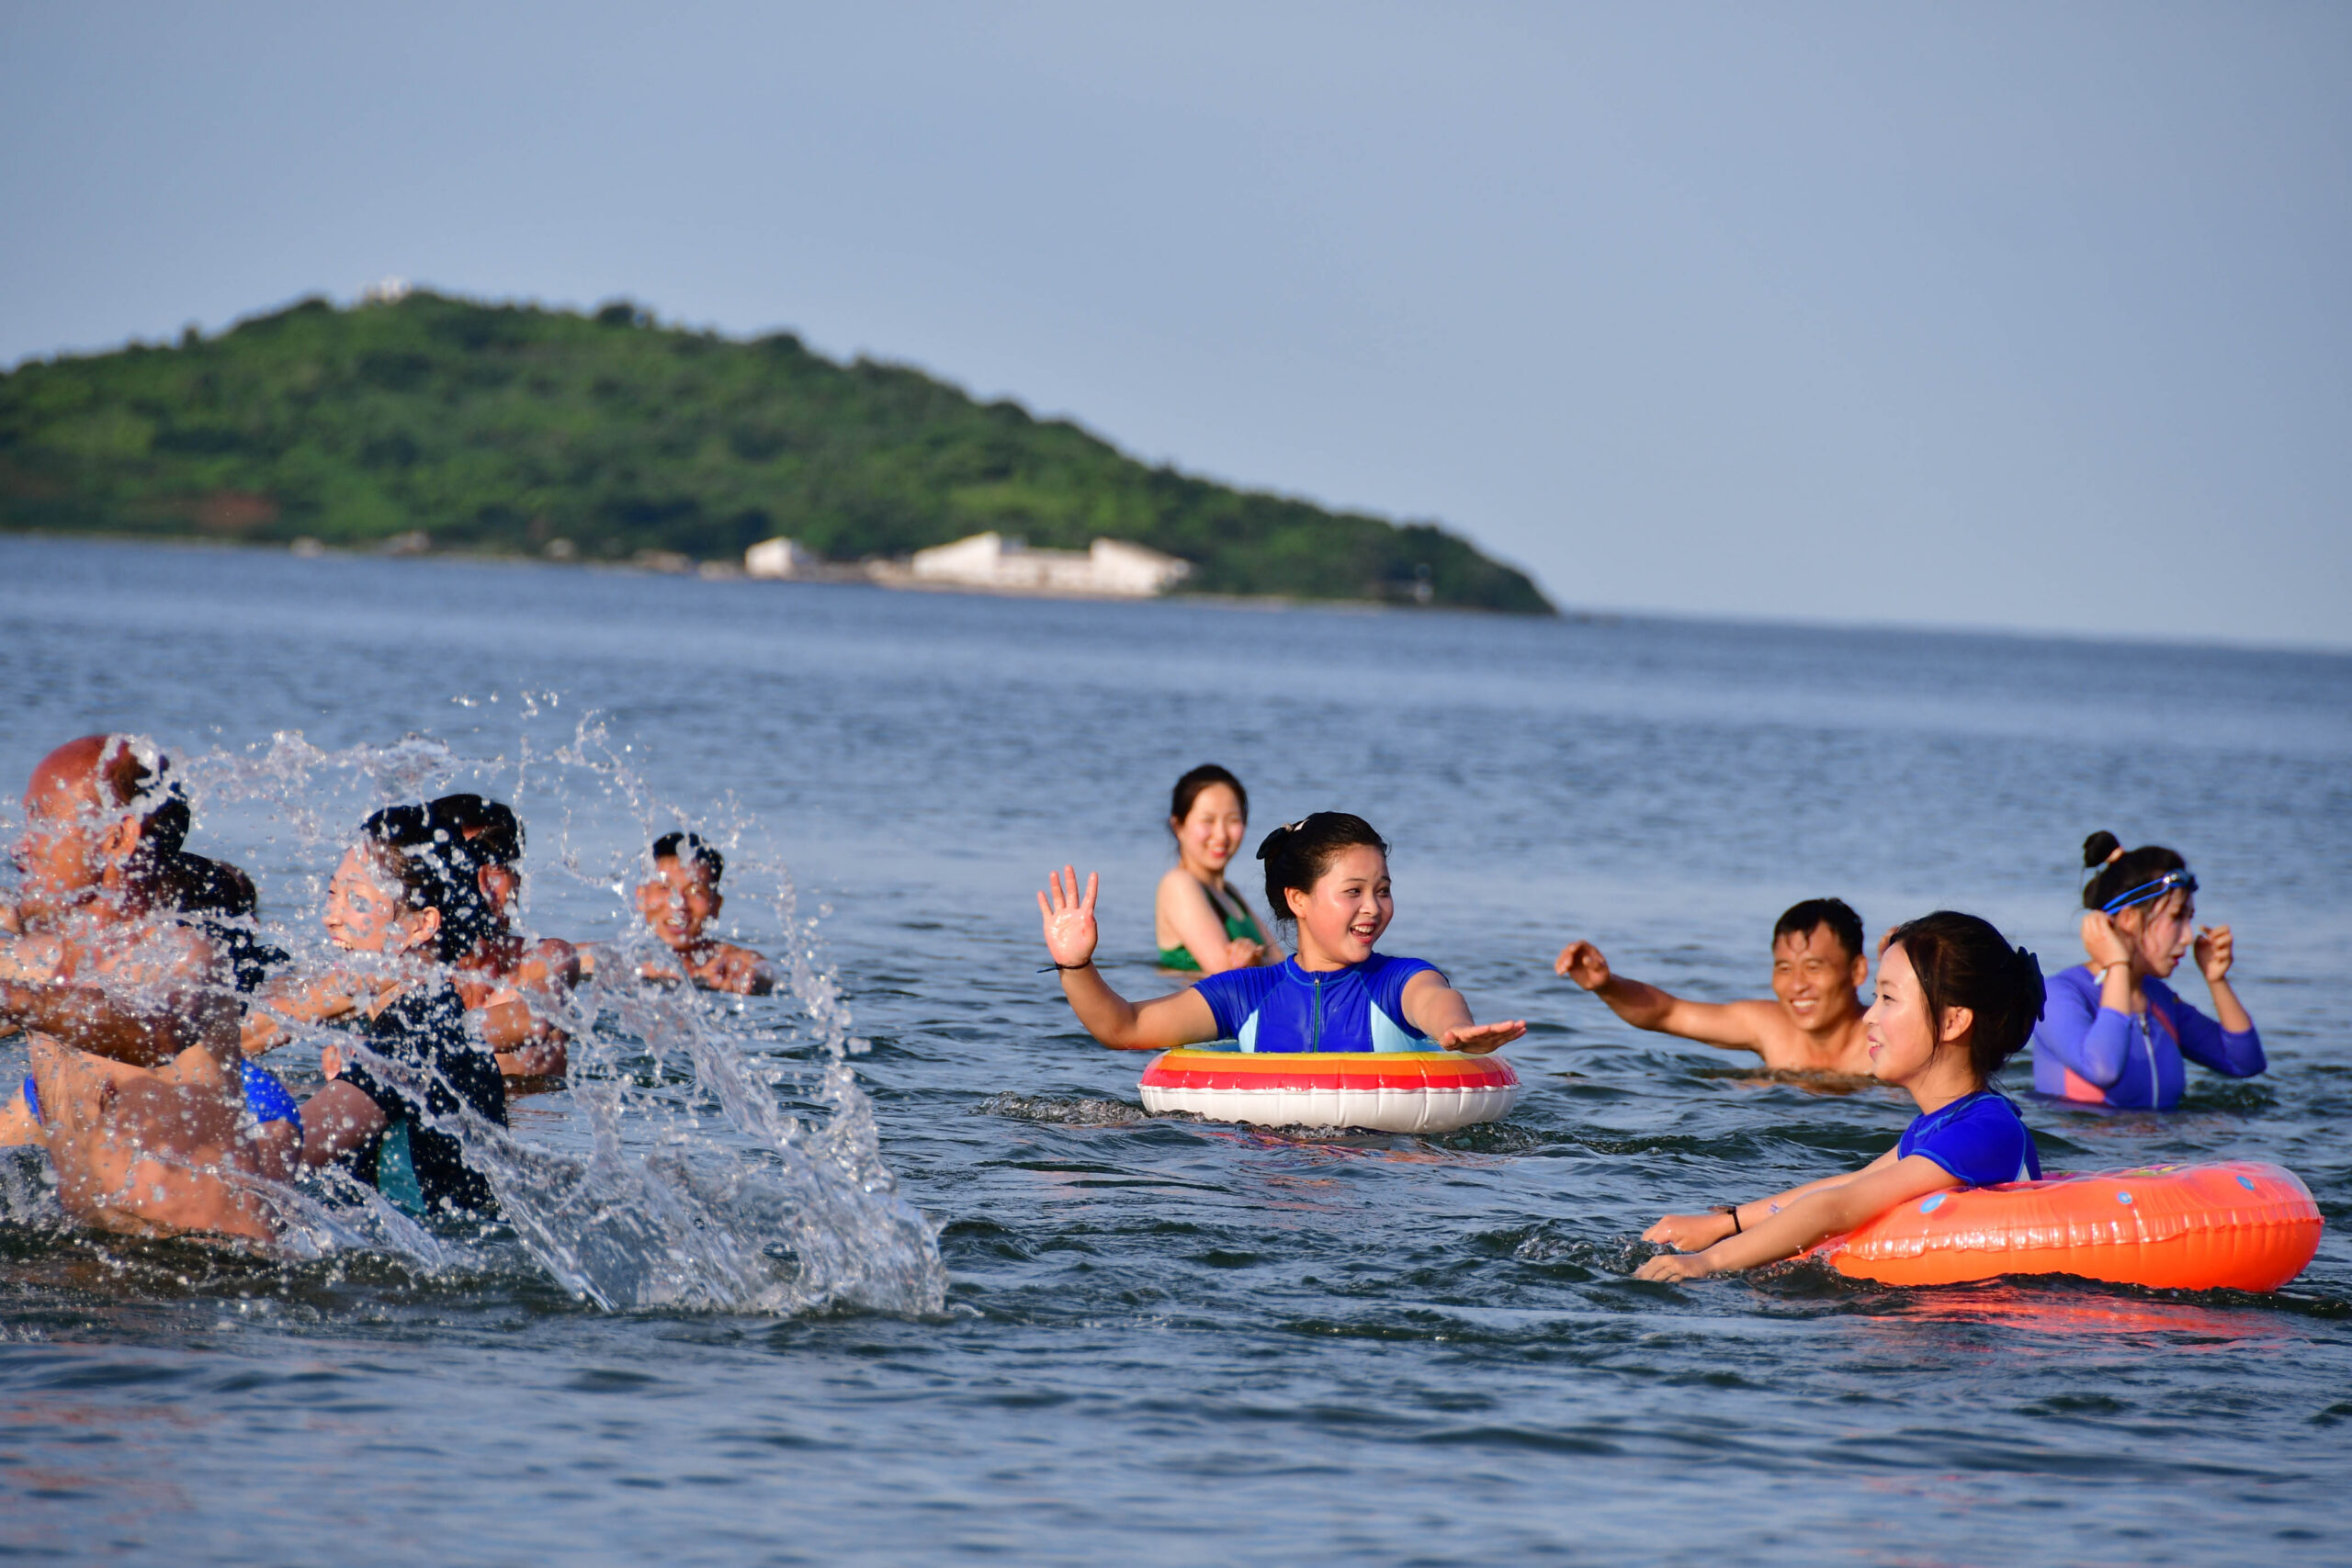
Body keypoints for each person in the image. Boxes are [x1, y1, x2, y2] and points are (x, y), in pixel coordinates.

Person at [1634, 910, 2045, 1283]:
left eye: (1888, 998)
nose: (1870, 1016)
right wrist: (1726, 1223)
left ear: (1953, 1021)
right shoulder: (1944, 1123)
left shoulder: (1986, 1130)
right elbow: (1853, 1182)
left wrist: (1706, 1263)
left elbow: (1838, 1207)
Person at [0, 735, 298, 1240]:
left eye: (43, 822)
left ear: (119, 838)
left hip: (214, 1268)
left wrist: (16, 1000)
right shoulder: (36, 962)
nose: (20, 848)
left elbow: (156, 1032)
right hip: (101, 1254)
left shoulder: (185, 955)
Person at [1037, 812, 1525, 1055]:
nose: (1373, 907)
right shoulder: (1246, 993)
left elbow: (1436, 1000)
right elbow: (1123, 1027)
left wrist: (1455, 1031)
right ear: (1298, 900)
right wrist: (1074, 964)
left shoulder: (1399, 981)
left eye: (1383, 890)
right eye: (1353, 891)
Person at [262, 806, 511, 1217]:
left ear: (422, 925)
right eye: (332, 894)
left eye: (356, 899)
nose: (330, 918)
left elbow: (273, 1160)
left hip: (441, 1251)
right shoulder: (434, 1016)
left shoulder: (414, 1040)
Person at [2029, 831, 2263, 1110]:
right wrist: (2118, 965)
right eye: (2176, 918)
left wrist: (2217, 980)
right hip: (2088, 1138)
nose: (2188, 937)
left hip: (2163, 1136)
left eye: (2190, 919)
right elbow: (2102, 1069)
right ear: (2128, 919)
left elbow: (2245, 1062)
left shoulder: (2160, 999)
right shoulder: (2059, 994)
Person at [1554, 898, 1873, 1075]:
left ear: (1857, 970)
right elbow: (1668, 1014)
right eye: (1784, 968)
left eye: (1814, 968)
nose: (1797, 985)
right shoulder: (1770, 1027)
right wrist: (1607, 986)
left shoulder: (1884, 1038)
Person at [1153, 764, 1281, 974]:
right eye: (1208, 821)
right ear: (1178, 826)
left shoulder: (1230, 893)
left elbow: (1283, 963)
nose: (1221, 835)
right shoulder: (1178, 884)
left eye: (1233, 820)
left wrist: (1254, 959)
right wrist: (1255, 960)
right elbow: (1223, 971)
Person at [615, 832, 775, 995]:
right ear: (641, 897)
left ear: (716, 905)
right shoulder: (617, 964)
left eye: (695, 891)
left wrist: (756, 977)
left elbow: (762, 969)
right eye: (664, 888)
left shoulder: (727, 966)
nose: (679, 904)